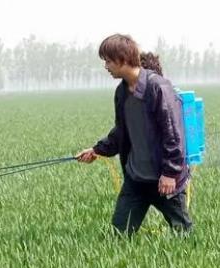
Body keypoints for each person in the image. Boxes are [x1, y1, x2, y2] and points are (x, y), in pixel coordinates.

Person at [76, 34, 192, 234]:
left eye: (108, 61)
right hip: (136, 178)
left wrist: (170, 173)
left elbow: (173, 134)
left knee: (183, 234)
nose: (106, 66)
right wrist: (97, 150)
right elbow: (122, 131)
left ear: (122, 59)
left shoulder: (158, 87)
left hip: (163, 180)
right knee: (119, 235)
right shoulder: (121, 92)